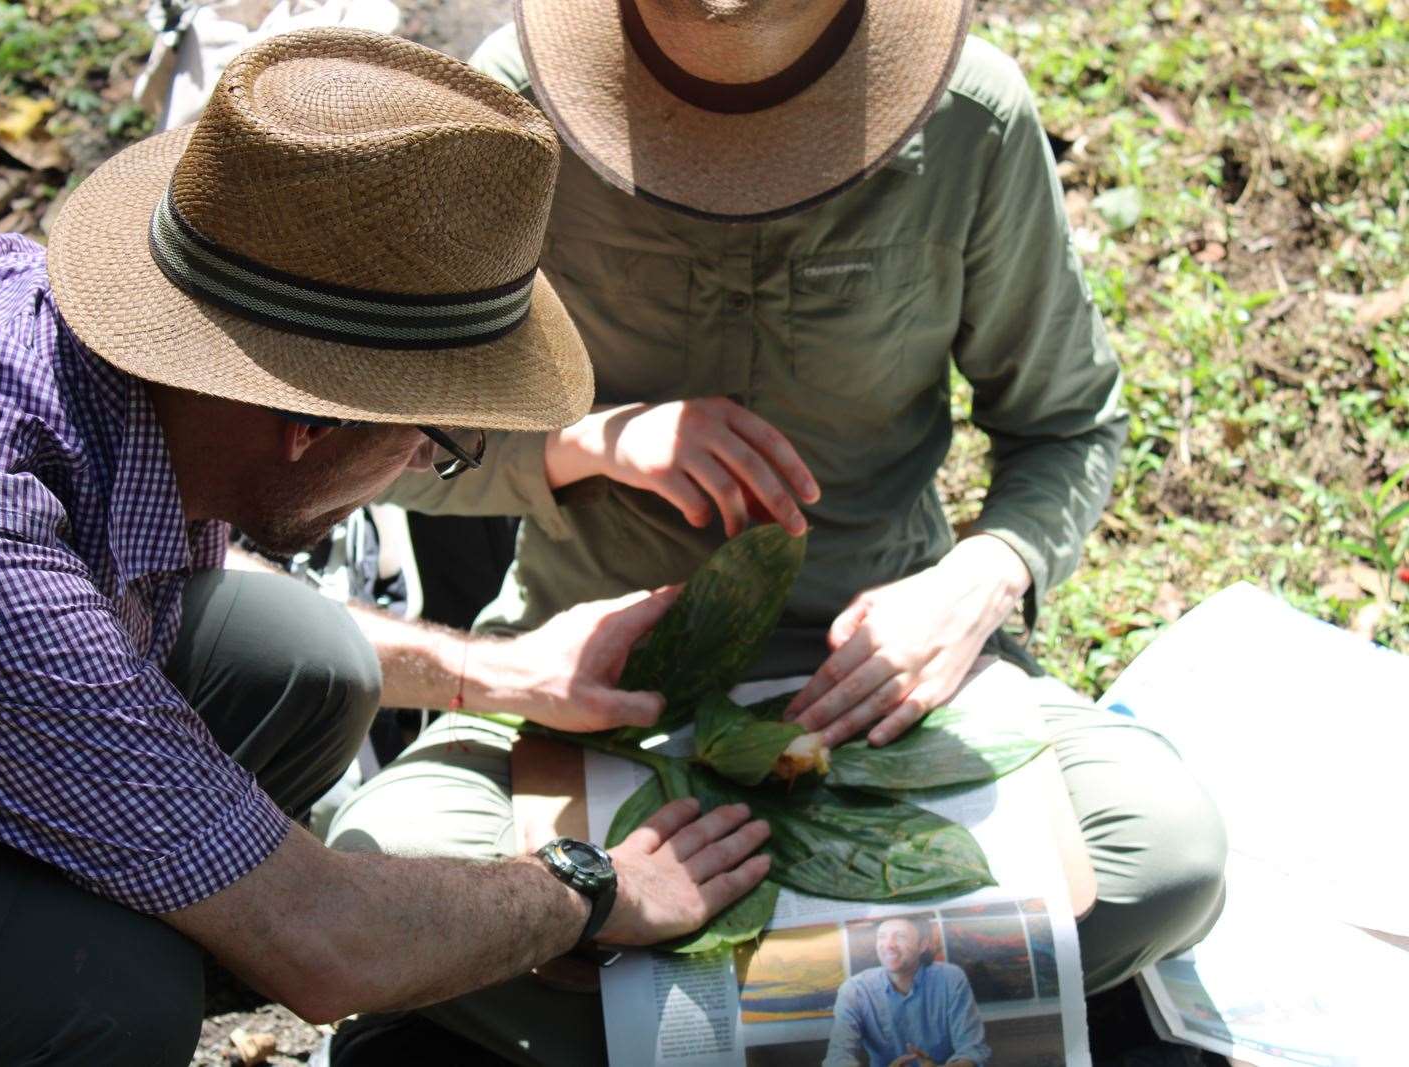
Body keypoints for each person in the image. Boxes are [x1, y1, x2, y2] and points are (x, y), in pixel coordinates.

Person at [0, 29, 774, 1066]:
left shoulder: (103, 362)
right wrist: (594, 889)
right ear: (308, 422)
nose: (424, 461)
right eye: (434, 441)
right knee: (94, 986)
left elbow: (144, 574)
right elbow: (331, 946)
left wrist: (500, 673)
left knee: (305, 661)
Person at [329, 1, 1228, 1061]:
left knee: (1164, 857)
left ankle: (641, 1013)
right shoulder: (513, 113)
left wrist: (983, 573)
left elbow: (1069, 422)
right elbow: (384, 449)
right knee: (384, 867)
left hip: (881, 686)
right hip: (585, 678)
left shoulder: (972, 118)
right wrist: (590, 440)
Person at [824, 917, 990, 1067]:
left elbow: (972, 1049)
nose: (888, 945)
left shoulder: (950, 978)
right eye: (881, 936)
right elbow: (838, 1057)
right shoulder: (855, 990)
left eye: (900, 936)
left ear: (923, 945)